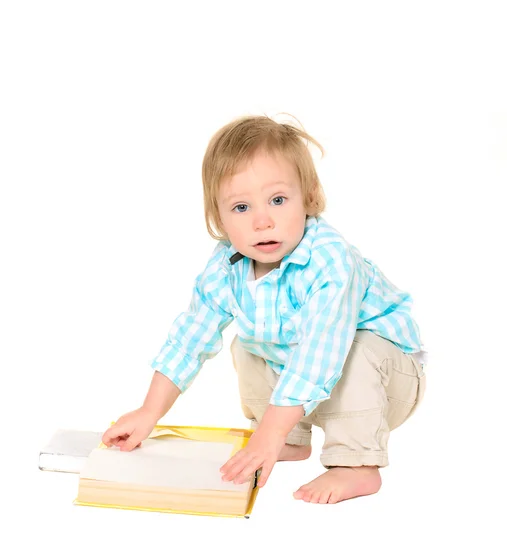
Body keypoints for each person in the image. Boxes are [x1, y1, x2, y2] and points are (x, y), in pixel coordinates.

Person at [102, 114, 428, 504]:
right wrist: (148, 412)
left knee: (355, 349)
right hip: (309, 392)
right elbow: (190, 338)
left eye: (277, 200)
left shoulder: (329, 259)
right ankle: (289, 437)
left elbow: (318, 355)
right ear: (218, 218)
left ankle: (357, 465)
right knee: (247, 342)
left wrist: (266, 435)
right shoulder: (227, 267)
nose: (261, 221)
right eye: (240, 207)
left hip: (388, 382)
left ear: (307, 196)